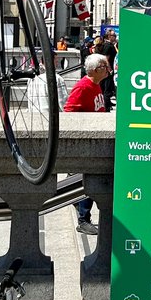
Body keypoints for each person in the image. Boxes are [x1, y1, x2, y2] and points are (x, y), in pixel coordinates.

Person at [63, 53, 108, 235]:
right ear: (97, 70)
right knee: (89, 181)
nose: (109, 69)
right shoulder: (83, 87)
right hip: (88, 142)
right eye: (105, 66)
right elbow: (70, 111)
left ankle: (74, 201)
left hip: (96, 138)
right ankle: (83, 219)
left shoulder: (96, 85)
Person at [95, 30, 118, 111]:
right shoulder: (108, 46)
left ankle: (106, 105)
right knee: (107, 89)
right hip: (108, 71)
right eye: (113, 35)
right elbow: (106, 58)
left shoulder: (108, 45)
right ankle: (106, 106)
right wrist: (110, 69)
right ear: (109, 36)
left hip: (107, 70)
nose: (115, 36)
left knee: (106, 88)